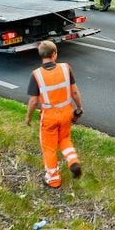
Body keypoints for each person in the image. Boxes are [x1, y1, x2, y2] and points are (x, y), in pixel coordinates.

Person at [25, 41, 84, 188]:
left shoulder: (37, 75)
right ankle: (73, 162)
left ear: (41, 55)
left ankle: (53, 179)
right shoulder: (65, 68)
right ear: (54, 54)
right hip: (66, 114)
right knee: (64, 139)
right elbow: (75, 92)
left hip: (49, 117)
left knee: (49, 148)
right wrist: (79, 107)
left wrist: (28, 117)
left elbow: (33, 102)